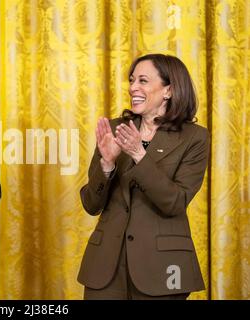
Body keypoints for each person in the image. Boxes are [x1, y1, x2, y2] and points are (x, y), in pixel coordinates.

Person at [78, 54, 209, 300]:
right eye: (131, 80)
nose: (133, 87)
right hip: (106, 268)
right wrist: (107, 163)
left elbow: (175, 202)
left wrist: (139, 154)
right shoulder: (116, 129)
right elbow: (91, 205)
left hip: (163, 269)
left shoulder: (195, 138)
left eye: (143, 80)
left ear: (168, 90)